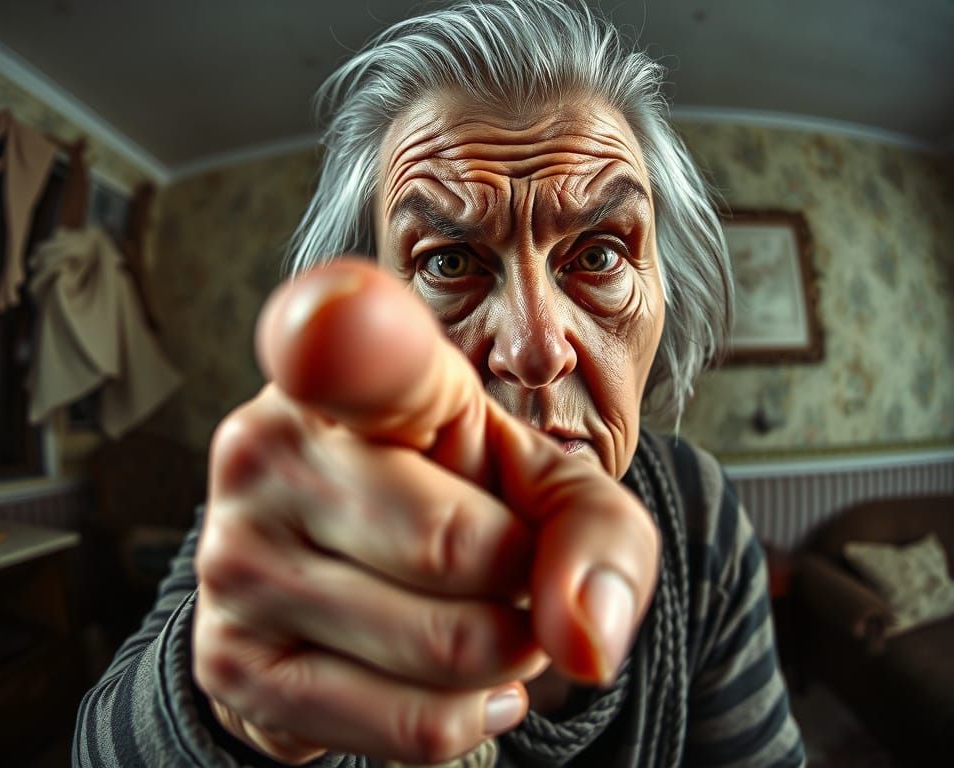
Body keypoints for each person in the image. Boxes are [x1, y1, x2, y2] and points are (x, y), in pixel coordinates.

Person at [75, 1, 806, 766]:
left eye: (597, 257)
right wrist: (227, 712)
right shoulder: (296, 519)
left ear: (663, 294)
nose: (533, 350)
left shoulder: (700, 516)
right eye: (449, 263)